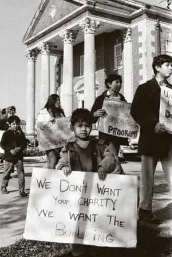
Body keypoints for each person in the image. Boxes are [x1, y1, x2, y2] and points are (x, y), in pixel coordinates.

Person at [56, 108, 124, 257]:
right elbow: (60, 161)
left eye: (87, 126)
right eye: (80, 126)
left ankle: (95, 245)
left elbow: (111, 157)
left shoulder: (99, 145)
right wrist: (64, 166)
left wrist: (103, 166)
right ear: (72, 127)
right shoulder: (69, 148)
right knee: (78, 222)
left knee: (95, 221)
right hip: (77, 194)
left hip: (96, 193)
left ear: (92, 126)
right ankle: (78, 248)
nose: (84, 129)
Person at [131, 54, 172, 225]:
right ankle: (145, 211)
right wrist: (152, 124)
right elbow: (136, 111)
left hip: (169, 140)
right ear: (157, 67)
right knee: (147, 178)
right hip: (150, 139)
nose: (171, 68)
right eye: (168, 65)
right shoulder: (144, 88)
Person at [91, 74, 128, 155]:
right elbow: (92, 118)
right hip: (106, 136)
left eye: (121, 82)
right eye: (117, 82)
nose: (120, 84)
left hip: (118, 136)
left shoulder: (123, 100)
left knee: (113, 159)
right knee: (112, 157)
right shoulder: (100, 99)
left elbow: (127, 118)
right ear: (109, 84)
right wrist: (95, 114)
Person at [0, 115, 28, 196]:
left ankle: (21, 190)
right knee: (7, 172)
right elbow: (2, 144)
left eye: (17, 124)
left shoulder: (21, 134)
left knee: (21, 173)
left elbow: (24, 143)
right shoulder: (6, 133)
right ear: (9, 124)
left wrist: (19, 148)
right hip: (9, 157)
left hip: (18, 157)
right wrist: (10, 149)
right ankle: (3, 186)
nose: (15, 126)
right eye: (13, 124)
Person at [36, 94, 65, 169]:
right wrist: (48, 122)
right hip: (48, 140)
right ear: (52, 101)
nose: (59, 102)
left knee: (58, 160)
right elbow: (38, 126)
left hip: (59, 140)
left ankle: (43, 176)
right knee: (53, 159)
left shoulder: (60, 112)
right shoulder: (44, 112)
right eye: (57, 100)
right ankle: (51, 178)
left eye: (59, 100)